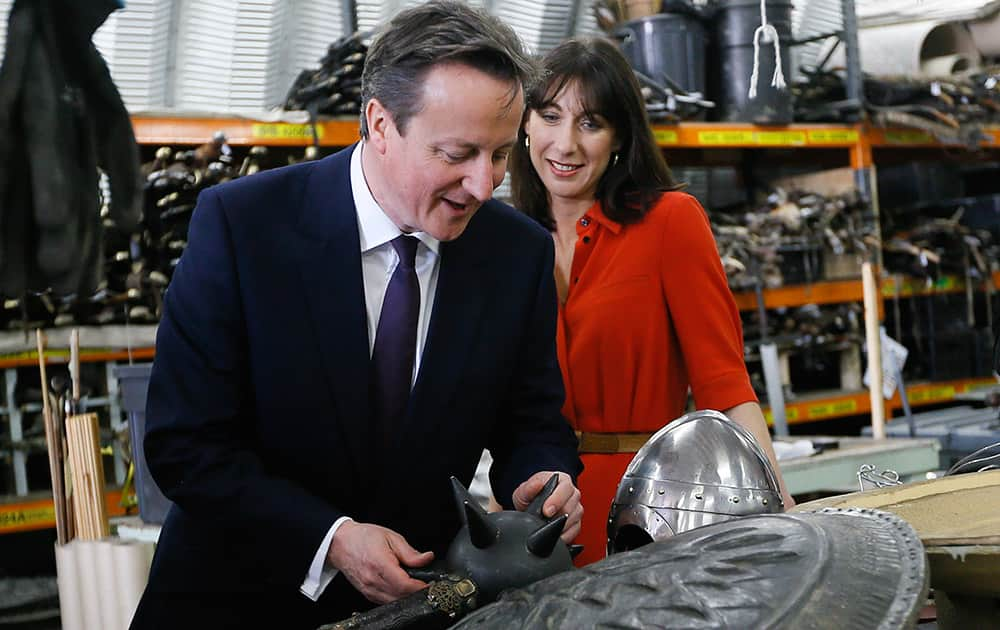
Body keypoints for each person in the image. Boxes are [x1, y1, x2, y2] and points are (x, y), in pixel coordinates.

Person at [131, 3, 583, 628]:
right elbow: (186, 445)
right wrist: (332, 538)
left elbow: (532, 421)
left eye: (502, 154)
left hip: (414, 605)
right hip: (234, 599)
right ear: (379, 123)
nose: (483, 185)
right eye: (457, 153)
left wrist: (543, 477)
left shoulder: (516, 254)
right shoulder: (244, 228)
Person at [508, 37, 794, 567]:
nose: (565, 144)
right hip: (534, 521)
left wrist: (780, 511)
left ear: (619, 137)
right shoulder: (501, 241)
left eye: (590, 123)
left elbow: (725, 386)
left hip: (651, 515)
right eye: (549, 116)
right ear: (524, 123)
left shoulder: (670, 223)